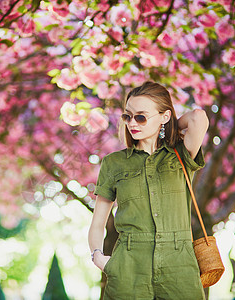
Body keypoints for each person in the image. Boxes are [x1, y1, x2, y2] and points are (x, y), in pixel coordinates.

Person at [88, 81, 209, 299]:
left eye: (141, 117)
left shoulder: (181, 155)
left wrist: (170, 126)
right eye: (128, 116)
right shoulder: (113, 163)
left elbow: (198, 117)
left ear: (164, 116)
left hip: (180, 266)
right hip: (129, 266)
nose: (132, 123)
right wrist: (99, 258)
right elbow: (97, 223)